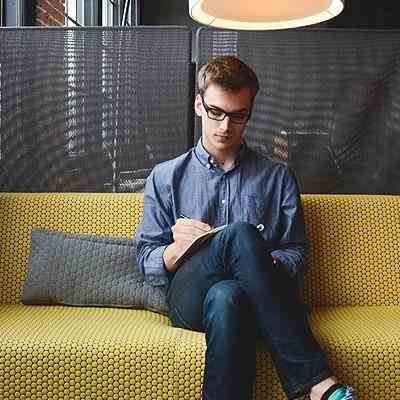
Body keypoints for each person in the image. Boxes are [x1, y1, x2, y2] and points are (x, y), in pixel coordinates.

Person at [136, 56, 356, 400]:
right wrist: (175, 251)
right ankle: (317, 383)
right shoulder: (165, 177)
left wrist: (262, 264)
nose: (225, 126)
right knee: (238, 234)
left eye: (237, 116)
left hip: (251, 300)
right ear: (199, 105)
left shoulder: (277, 178)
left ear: (249, 114)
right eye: (216, 112)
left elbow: (297, 251)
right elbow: (145, 257)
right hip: (189, 299)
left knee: (228, 296)